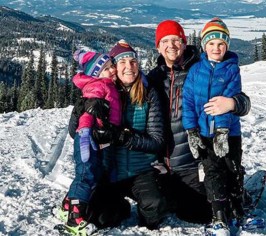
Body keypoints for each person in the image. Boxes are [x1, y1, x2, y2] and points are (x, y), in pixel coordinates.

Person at [147, 19, 250, 226]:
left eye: (176, 40)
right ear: (158, 46)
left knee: (200, 213)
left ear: (185, 43)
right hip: (161, 163)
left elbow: (244, 103)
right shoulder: (153, 78)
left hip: (190, 162)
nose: (171, 45)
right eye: (165, 41)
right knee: (152, 212)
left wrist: (232, 103)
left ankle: (234, 193)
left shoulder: (199, 70)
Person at [68, 39, 168, 233]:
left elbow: (157, 141)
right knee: (101, 217)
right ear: (114, 67)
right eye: (122, 62)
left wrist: (124, 137)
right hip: (110, 171)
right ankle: (119, 208)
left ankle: (143, 211)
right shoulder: (102, 90)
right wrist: (79, 110)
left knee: (154, 207)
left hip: (140, 170)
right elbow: (75, 132)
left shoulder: (149, 93)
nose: (128, 67)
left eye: (132, 61)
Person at [182, 17, 244, 235]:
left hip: (229, 133)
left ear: (226, 45)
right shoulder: (195, 71)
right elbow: (188, 103)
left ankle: (237, 206)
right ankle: (218, 215)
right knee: (212, 172)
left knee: (232, 168)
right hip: (204, 134)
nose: (216, 48)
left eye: (221, 43)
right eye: (211, 43)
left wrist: (222, 130)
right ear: (204, 45)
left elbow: (229, 101)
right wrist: (191, 130)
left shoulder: (231, 70)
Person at [58, 50, 122, 234]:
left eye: (111, 67)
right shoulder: (98, 86)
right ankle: (74, 219)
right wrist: (85, 134)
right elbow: (87, 113)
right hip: (89, 138)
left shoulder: (107, 85)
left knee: (89, 174)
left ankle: (67, 207)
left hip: (100, 138)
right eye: (106, 69)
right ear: (96, 74)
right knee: (87, 175)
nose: (112, 71)